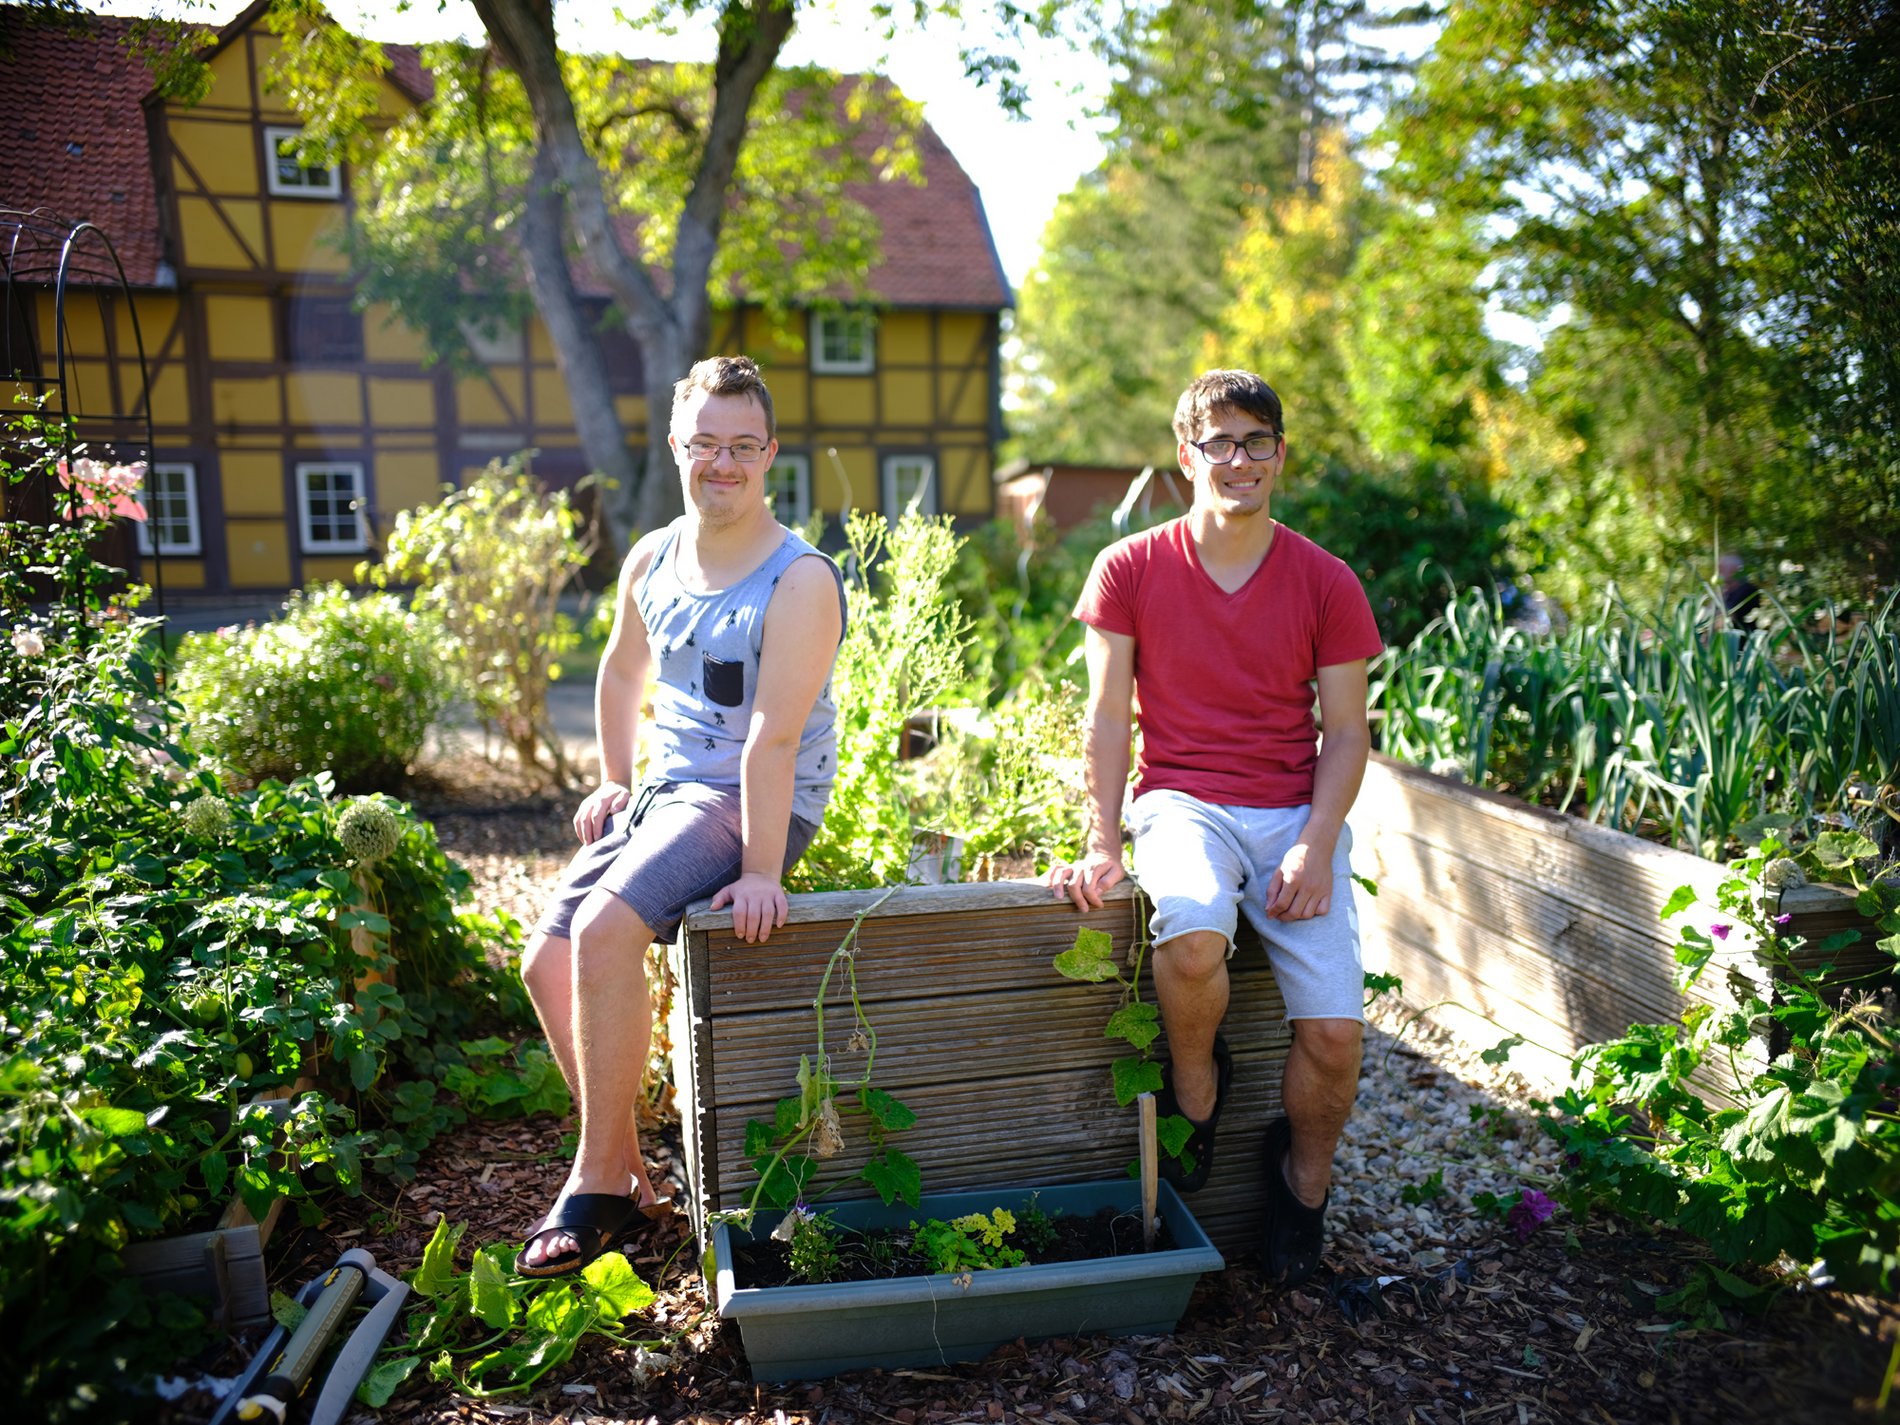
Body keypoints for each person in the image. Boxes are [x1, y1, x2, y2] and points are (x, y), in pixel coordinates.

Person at [1047, 368, 1383, 1287]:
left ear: (1280, 455)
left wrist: (1317, 842)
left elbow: (1348, 732)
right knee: (1192, 932)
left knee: (1335, 1039)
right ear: (1186, 454)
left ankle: (1300, 1195)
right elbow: (1108, 716)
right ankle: (1198, 1094)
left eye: (1257, 442)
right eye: (1220, 443)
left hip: (1291, 815)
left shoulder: (1325, 580)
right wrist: (1103, 840)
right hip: (1182, 802)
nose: (1240, 460)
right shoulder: (1130, 567)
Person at [515, 355, 846, 1277]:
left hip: (751, 800)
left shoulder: (799, 579)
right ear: (677, 446)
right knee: (544, 958)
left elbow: (771, 744)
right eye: (706, 443)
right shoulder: (652, 556)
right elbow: (622, 669)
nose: (724, 463)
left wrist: (764, 870)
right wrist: (614, 778)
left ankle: (591, 1186)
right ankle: (623, 1167)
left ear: (770, 453)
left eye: (743, 445)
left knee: (606, 927)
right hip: (665, 796)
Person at [1719, 552, 1762, 630]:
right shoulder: (1727, 592)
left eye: (1721, 568)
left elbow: (1727, 618)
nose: (1719, 572)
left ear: (1734, 570)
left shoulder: (1748, 590)